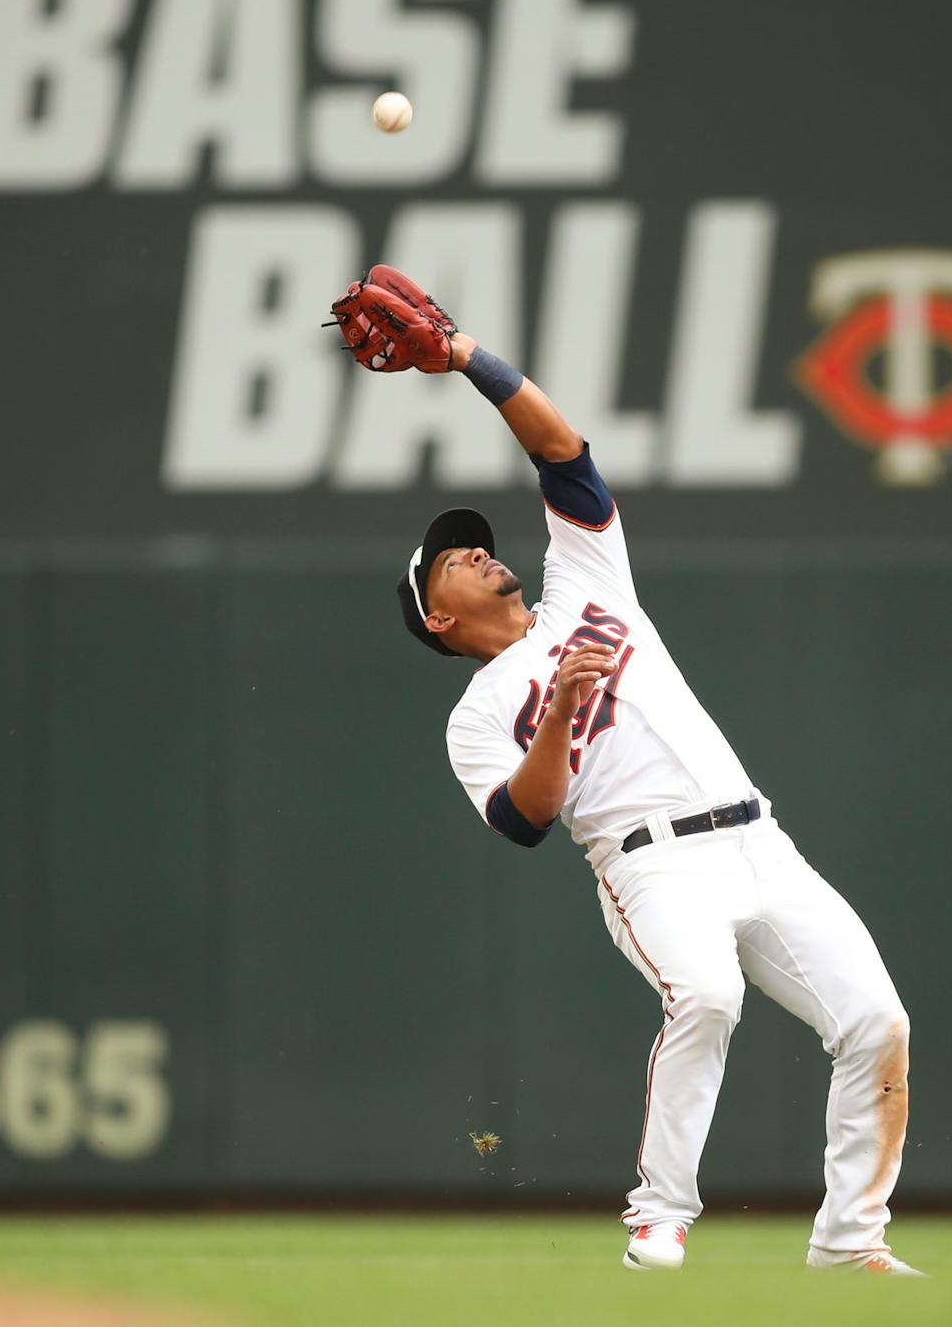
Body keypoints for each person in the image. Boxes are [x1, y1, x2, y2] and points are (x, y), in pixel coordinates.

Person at [353, 277, 919, 1276]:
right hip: (648, 864)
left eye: (473, 541)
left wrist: (469, 360)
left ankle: (850, 1243)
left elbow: (564, 454)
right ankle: (658, 1215)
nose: (475, 550)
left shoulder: (586, 582)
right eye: (451, 559)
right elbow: (527, 822)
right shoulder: (476, 714)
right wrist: (564, 707)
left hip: (758, 840)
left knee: (877, 1020)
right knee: (705, 997)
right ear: (437, 618)